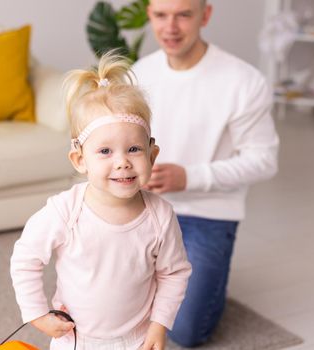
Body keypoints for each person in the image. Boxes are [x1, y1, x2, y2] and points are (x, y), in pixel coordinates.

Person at [10, 52, 192, 350]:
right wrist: (37, 315)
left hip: (138, 339)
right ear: (80, 160)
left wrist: (159, 327)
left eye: (134, 148)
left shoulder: (160, 215)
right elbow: (25, 259)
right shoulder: (64, 211)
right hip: (76, 340)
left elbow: (173, 273)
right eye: (105, 151)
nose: (122, 162)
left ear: (152, 155)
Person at [132, 0, 280, 347]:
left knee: (185, 331)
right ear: (149, 15)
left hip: (207, 215)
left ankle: (197, 280)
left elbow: (264, 160)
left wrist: (189, 177)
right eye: (161, 15)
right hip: (143, 208)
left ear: (205, 15)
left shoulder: (243, 81)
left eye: (183, 15)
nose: (170, 27)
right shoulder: (139, 72)